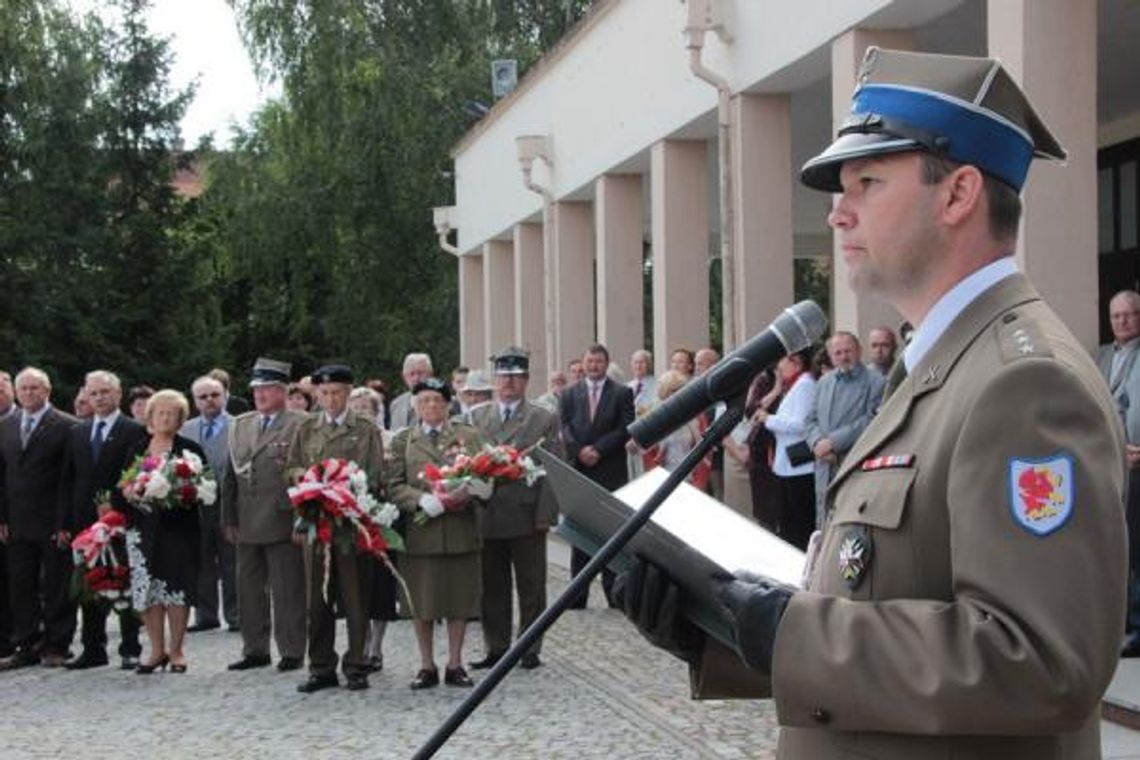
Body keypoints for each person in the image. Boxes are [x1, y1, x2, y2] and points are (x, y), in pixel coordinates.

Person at [618, 47, 1125, 758]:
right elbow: (874, 602)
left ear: (958, 195)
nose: (837, 214)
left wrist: (789, 632)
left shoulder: (1025, 384)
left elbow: (1039, 661)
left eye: (867, 182)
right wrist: (722, 630)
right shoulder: (937, 366)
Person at [286, 364, 385, 693]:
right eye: (325, 393)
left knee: (356, 596)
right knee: (317, 598)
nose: (331, 399)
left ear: (348, 392)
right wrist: (309, 481)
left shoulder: (365, 429)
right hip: (317, 521)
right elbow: (292, 467)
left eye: (338, 393)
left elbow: (375, 474)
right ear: (317, 395)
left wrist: (348, 489)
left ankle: (357, 664)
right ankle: (321, 666)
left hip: (351, 522)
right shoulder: (307, 428)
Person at [387, 377, 487, 689]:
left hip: (459, 529)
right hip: (421, 533)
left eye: (437, 401)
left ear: (448, 405)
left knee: (459, 600)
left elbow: (484, 475)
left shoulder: (468, 436)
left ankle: (455, 664)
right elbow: (392, 484)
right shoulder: (403, 440)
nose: (431, 406)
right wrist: (420, 500)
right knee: (422, 602)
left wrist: (473, 490)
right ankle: (426, 664)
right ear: (415, 406)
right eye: (424, 401)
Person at [468, 348, 565, 671]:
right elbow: (467, 466)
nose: (508, 383)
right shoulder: (478, 418)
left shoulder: (543, 418)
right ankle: (496, 647)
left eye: (515, 377)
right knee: (490, 585)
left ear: (525, 380)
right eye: (503, 376)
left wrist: (546, 514)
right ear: (495, 380)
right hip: (488, 512)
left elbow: (554, 469)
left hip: (526, 512)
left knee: (531, 585)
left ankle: (529, 647)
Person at [222, 359, 308, 674]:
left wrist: (303, 518)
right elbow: (230, 474)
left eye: (268, 388)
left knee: (288, 589)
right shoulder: (241, 423)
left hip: (282, 516)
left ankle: (292, 649)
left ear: (283, 390)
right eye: (256, 388)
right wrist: (228, 517)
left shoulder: (300, 423)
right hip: (246, 517)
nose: (260, 394)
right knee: (248, 587)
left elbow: (308, 476)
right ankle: (255, 648)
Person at [58, 370, 147, 670]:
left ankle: (130, 648)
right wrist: (64, 523)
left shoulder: (134, 430)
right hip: (85, 522)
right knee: (90, 584)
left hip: (122, 518)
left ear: (118, 394)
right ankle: (93, 648)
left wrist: (116, 504)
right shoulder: (78, 432)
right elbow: (67, 480)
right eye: (93, 393)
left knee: (124, 583)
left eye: (105, 392)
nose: (98, 398)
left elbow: (136, 475)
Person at [117, 389, 206, 674]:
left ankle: (177, 650)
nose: (165, 418)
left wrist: (181, 492)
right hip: (142, 528)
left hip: (178, 529)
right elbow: (122, 483)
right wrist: (129, 491)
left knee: (177, 589)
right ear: (150, 417)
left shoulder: (189, 449)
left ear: (181, 419)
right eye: (160, 413)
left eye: (172, 413)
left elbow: (204, 486)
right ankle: (156, 650)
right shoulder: (138, 447)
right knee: (148, 590)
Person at [0, 367, 78, 669]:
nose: (29, 393)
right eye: (24, 388)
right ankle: (27, 643)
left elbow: (69, 479)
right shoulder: (6, 426)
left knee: (57, 585)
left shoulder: (67, 425)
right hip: (17, 521)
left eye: (34, 388)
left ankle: (57, 644)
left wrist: (65, 522)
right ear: (16, 392)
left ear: (47, 390)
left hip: (53, 521)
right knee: (21, 586)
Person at [560, 344, 635, 608]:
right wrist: (579, 450)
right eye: (589, 361)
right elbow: (564, 427)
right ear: (583, 364)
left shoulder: (622, 393)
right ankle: (577, 595)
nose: (593, 366)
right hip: (580, 470)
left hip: (610, 470)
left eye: (598, 361)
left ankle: (613, 593)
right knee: (580, 531)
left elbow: (626, 427)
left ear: (606, 363)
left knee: (610, 532)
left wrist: (599, 450)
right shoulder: (569, 394)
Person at [804, 332, 885, 526]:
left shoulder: (877, 382)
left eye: (848, 351)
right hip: (823, 468)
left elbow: (873, 420)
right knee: (824, 524)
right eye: (838, 353)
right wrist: (817, 443)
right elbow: (810, 419)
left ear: (859, 351)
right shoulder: (824, 382)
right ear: (831, 356)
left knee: (849, 525)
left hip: (853, 467)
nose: (843, 357)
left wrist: (833, 442)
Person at [346, 384, 398, 671]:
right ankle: (361, 644)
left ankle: (376, 646)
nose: (360, 413)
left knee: (381, 586)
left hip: (384, 520)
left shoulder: (390, 440)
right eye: (355, 409)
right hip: (352, 521)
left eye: (365, 408)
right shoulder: (347, 440)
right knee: (357, 587)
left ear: (377, 411)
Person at [180, 376, 238, 633]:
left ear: (225, 395)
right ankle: (205, 616)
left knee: (232, 561)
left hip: (230, 503)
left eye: (215, 395)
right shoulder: (186, 429)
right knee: (201, 561)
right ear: (195, 401)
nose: (209, 400)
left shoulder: (240, 426)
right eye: (203, 397)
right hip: (198, 506)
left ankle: (236, 615)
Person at [1100, 291, 1140, 656]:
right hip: (1107, 464)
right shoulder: (1100, 356)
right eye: (1116, 316)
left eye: (1130, 314)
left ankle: (1137, 628)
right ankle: (1118, 623)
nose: (1123, 321)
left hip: (1137, 464)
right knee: (1113, 544)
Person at [752, 351, 817, 550]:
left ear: (796, 363)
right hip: (788, 463)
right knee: (788, 520)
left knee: (798, 522)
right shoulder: (795, 385)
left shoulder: (805, 385)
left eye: (782, 361)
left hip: (798, 464)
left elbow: (800, 424)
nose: (779, 366)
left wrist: (768, 419)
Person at [626, 349, 657, 479]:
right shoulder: (627, 387)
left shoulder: (657, 386)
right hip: (628, 441)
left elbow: (655, 414)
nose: (638, 366)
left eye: (642, 362)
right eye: (636, 362)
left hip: (647, 440)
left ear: (649, 364)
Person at [389, 353, 433, 431]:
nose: (416, 378)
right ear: (404, 377)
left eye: (420, 373)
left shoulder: (446, 402)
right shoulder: (396, 404)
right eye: (411, 374)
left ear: (430, 374)